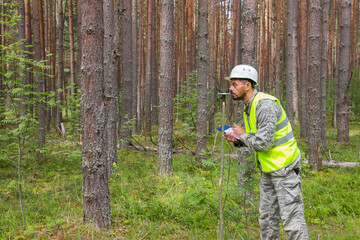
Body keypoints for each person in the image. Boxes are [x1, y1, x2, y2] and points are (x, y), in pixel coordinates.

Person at [224, 64, 309, 240]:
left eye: (234, 84)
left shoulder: (265, 106)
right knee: (268, 220)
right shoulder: (250, 105)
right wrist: (238, 140)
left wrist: (243, 135)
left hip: (285, 169)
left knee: (292, 222)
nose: (230, 88)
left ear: (248, 85)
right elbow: (257, 138)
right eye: (231, 84)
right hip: (268, 170)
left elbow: (263, 143)